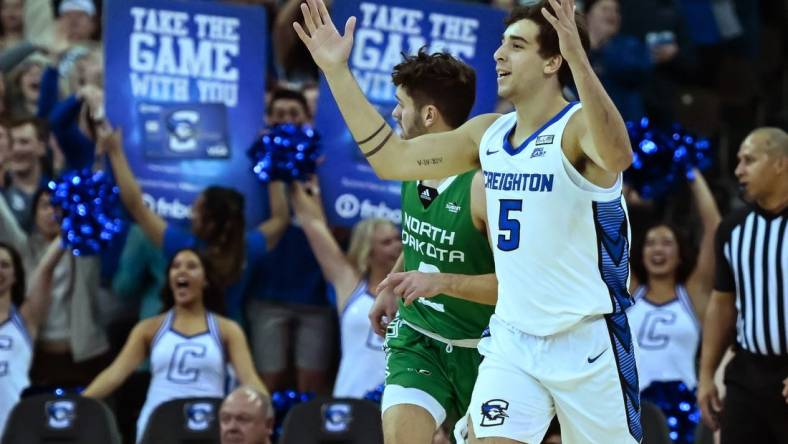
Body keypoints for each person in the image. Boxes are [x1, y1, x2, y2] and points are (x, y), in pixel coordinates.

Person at [294, 0, 637, 441]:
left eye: (516, 46)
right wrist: (337, 72)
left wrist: (579, 56)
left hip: (588, 340)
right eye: (501, 44)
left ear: (554, 61)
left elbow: (618, 155)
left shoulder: (576, 130)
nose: (498, 54)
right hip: (512, 338)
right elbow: (393, 159)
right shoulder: (488, 135)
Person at [367, 50, 497, 444]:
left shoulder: (481, 188)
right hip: (419, 337)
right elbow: (425, 238)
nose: (393, 114)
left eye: (400, 104)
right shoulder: (410, 164)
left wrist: (441, 283)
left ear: (428, 116)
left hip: (486, 350)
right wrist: (393, 283)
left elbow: (519, 284)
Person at [102, 130, 289, 323]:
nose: (191, 214)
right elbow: (281, 218)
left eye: (196, 210)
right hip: (228, 337)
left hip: (188, 335)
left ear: (208, 222)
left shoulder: (185, 246)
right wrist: (272, 156)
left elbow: (136, 205)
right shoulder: (247, 248)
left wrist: (116, 152)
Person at [83, 248, 268, 442]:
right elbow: (115, 374)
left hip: (209, 424)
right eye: (176, 266)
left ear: (205, 280)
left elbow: (249, 378)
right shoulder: (149, 328)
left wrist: (268, 413)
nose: (182, 271)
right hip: (158, 425)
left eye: (191, 266)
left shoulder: (227, 329)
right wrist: (81, 402)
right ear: (169, 279)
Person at [698, 127, 788, 443]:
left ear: (780, 163)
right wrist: (707, 375)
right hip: (748, 375)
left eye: (749, 160)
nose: (738, 170)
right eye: (737, 161)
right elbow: (722, 304)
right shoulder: (733, 229)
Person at [246, 88, 332, 394]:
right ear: (267, 120)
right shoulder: (250, 170)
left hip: (314, 297)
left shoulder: (327, 170)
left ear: (308, 120)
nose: (286, 122)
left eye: (294, 115)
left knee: (312, 384)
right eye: (279, 115)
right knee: (268, 382)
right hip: (266, 294)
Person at [290, 181, 401, 398]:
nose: (397, 246)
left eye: (398, 239)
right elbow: (313, 225)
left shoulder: (415, 288)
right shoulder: (350, 283)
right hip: (351, 399)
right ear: (367, 251)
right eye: (387, 242)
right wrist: (300, 181)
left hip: (399, 402)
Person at [0, 187, 109, 387]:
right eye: (45, 206)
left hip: (83, 357)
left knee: (90, 416)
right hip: (39, 357)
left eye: (59, 206)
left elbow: (93, 210)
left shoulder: (83, 249)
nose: (52, 212)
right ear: (34, 215)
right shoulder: (24, 248)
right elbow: (5, 221)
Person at [0, 239, 63, 434]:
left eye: (5, 265)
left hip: (15, 425)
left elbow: (46, 268)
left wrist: (71, 225)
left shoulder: (26, 318)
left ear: (15, 275)